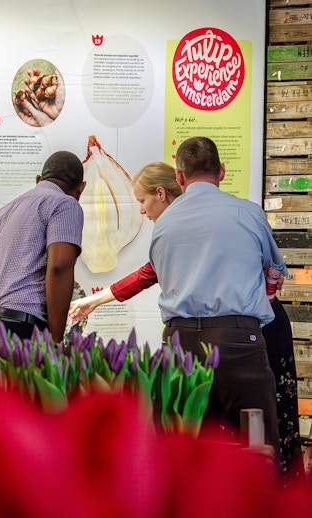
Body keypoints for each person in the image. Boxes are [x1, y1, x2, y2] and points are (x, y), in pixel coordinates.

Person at [68, 160, 302, 475]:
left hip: (233, 333)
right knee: (257, 435)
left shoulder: (170, 225)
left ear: (163, 191)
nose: (141, 210)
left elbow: (148, 274)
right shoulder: (241, 212)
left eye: (142, 201)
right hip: (249, 330)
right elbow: (273, 274)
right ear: (220, 171)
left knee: (222, 435)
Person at [150, 136, 286, 458]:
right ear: (221, 171)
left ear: (179, 176)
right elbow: (275, 273)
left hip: (180, 345)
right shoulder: (249, 214)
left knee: (185, 450)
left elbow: (159, 272)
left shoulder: (162, 223)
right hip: (239, 343)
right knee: (257, 446)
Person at [0, 150, 86, 348]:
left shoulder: (1, 213)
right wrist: (55, 341)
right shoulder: (64, 204)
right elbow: (59, 268)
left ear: (39, 179)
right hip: (19, 330)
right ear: (81, 188)